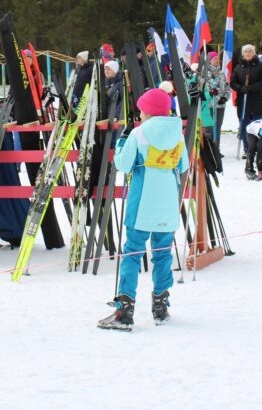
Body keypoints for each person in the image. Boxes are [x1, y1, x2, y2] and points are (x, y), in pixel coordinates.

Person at [99, 88, 188, 331]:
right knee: (162, 253)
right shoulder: (178, 134)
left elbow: (123, 164)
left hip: (143, 200)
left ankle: (124, 310)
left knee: (132, 253)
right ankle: (161, 305)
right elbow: (183, 165)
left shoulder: (138, 133)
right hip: (168, 201)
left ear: (148, 111)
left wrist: (121, 143)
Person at [230, 44, 262, 157]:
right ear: (243, 54)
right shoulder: (238, 67)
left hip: (257, 100)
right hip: (243, 100)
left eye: (250, 51)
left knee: (257, 124)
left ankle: (259, 147)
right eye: (246, 51)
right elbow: (233, 82)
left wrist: (251, 88)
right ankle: (247, 148)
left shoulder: (260, 66)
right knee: (244, 124)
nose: (248, 53)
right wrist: (241, 88)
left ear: (254, 53)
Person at [206, 51, 231, 153]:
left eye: (218, 58)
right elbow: (206, 88)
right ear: (210, 60)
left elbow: (227, 87)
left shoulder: (221, 73)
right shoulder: (205, 73)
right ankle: (208, 150)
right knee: (209, 128)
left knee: (217, 126)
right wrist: (213, 96)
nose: (218, 60)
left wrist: (225, 97)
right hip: (210, 105)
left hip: (220, 105)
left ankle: (216, 149)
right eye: (215, 58)